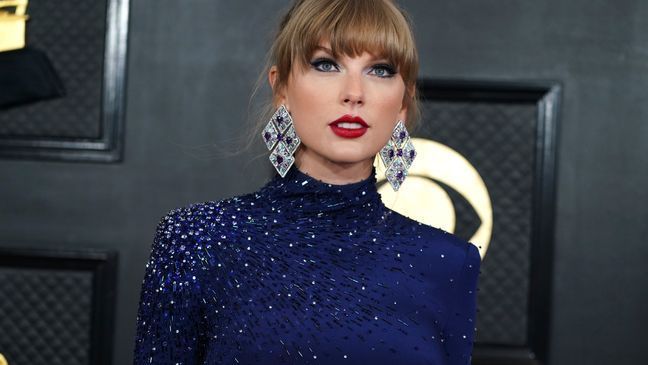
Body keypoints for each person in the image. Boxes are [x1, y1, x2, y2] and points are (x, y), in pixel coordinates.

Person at [133, 0, 482, 364]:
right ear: (281, 88)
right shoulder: (198, 240)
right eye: (326, 64)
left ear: (402, 104)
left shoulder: (449, 263)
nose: (354, 92)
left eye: (380, 70)